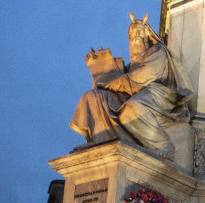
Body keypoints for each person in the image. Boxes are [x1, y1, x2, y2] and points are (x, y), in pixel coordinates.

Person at [70, 13, 194, 158]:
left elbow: (144, 75)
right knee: (92, 97)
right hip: (135, 93)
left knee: (131, 110)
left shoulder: (157, 51)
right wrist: (100, 65)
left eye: (139, 34)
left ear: (147, 35)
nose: (135, 38)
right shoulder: (133, 62)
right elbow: (123, 78)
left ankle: (162, 145)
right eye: (132, 35)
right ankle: (99, 139)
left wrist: (115, 83)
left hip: (159, 94)